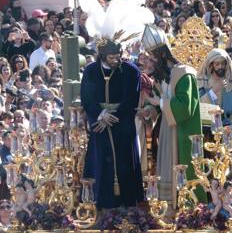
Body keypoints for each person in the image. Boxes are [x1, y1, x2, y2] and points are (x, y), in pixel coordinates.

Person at [140, 24, 203, 211]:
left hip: (182, 132)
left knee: (184, 169)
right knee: (166, 167)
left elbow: (185, 107)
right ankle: (167, 209)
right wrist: (149, 110)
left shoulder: (184, 74)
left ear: (161, 55)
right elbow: (158, 101)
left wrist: (159, 103)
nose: (149, 63)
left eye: (151, 58)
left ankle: (187, 210)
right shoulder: (161, 76)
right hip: (167, 129)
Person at [80, 30, 144, 209]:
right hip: (99, 125)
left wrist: (112, 117)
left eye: (118, 56)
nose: (116, 60)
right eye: (111, 57)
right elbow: (86, 97)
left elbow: (131, 99)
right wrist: (100, 116)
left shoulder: (131, 71)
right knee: (101, 164)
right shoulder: (91, 71)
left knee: (125, 165)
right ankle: (101, 205)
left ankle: (127, 205)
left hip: (122, 125)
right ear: (102, 55)